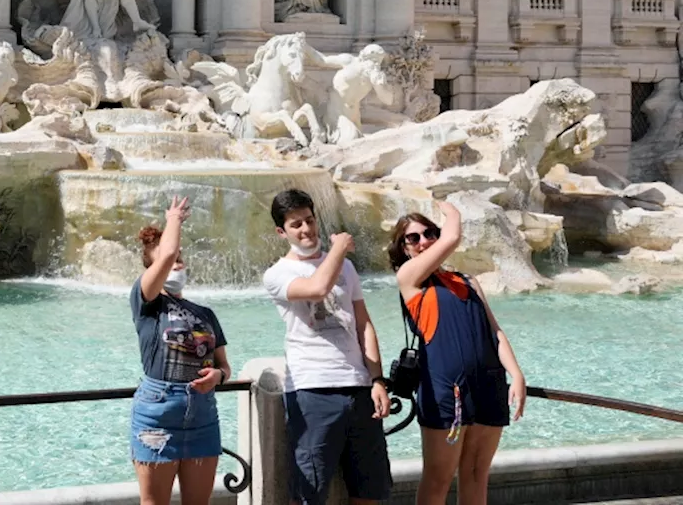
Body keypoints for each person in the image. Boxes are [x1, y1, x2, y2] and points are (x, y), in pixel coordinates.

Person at [388, 202, 526, 505]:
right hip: (444, 389)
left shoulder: (467, 280)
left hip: (488, 384)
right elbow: (452, 239)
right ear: (404, 249)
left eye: (430, 233)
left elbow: (495, 332)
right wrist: (452, 214)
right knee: (438, 478)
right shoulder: (409, 280)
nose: (424, 241)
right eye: (413, 238)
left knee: (477, 474)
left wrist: (516, 375)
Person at [262, 189, 391, 505]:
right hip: (312, 390)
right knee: (309, 492)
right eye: (296, 225)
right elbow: (318, 288)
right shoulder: (277, 274)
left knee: (369, 490)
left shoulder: (346, 268)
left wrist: (376, 379)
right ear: (282, 232)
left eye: (309, 220)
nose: (306, 229)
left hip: (359, 387)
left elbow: (363, 324)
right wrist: (339, 249)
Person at [130, 196, 232, 505]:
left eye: (178, 259)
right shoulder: (147, 303)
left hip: (203, 414)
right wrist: (173, 218)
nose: (175, 262)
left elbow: (224, 366)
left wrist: (218, 376)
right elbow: (168, 252)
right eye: (165, 260)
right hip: (158, 412)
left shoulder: (205, 313)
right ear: (154, 269)